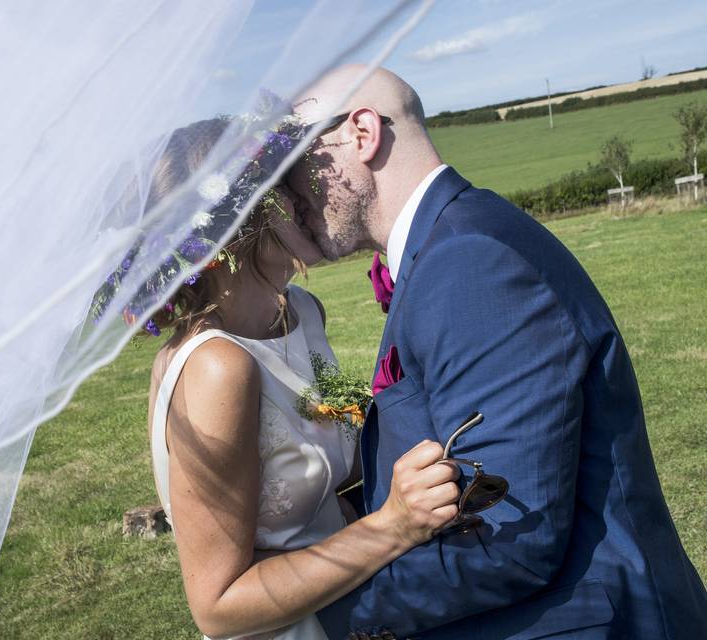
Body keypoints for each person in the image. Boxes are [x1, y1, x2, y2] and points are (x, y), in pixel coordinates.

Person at [284, 65, 707, 640]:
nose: (288, 195)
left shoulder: (470, 261)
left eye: (297, 162)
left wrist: (306, 615)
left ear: (361, 133)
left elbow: (509, 538)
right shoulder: (449, 244)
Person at [144, 117, 461, 639]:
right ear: (236, 223)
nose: (311, 194)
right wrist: (392, 527)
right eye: (286, 184)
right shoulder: (216, 370)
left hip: (354, 613)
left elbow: (334, 446)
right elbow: (218, 606)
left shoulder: (304, 313)